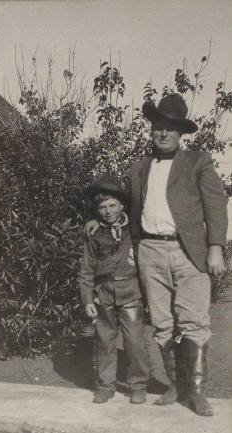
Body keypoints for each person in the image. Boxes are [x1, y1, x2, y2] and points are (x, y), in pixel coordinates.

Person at [86, 94, 228, 416]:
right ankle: (176, 383)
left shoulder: (198, 162)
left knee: (193, 321)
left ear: (180, 133)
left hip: (189, 253)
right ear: (151, 131)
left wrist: (216, 247)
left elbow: (216, 205)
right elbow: (125, 209)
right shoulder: (139, 169)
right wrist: (97, 219)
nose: (162, 134)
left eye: (169, 128)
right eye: (157, 128)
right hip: (149, 251)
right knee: (164, 324)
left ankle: (196, 391)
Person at [79, 175, 149, 404]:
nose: (108, 211)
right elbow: (87, 270)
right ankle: (105, 385)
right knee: (104, 341)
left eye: (112, 205)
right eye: (102, 207)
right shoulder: (94, 233)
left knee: (135, 341)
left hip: (131, 292)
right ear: (96, 210)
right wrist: (88, 299)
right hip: (103, 294)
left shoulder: (135, 229)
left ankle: (137, 385)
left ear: (121, 205)